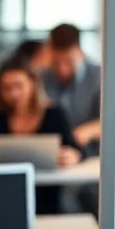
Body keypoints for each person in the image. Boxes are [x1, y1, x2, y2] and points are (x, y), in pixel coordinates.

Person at [0, 57, 82, 214]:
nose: (14, 93)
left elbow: (77, 149)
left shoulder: (54, 114)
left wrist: (73, 155)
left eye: (19, 86)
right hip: (4, 193)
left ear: (33, 84)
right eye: (6, 88)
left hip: (48, 194)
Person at [42, 23, 101, 155]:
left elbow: (113, 121)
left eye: (69, 62)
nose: (63, 69)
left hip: (91, 157)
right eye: (56, 62)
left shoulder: (100, 77)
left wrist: (87, 131)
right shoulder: (42, 77)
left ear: (81, 52)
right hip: (52, 156)